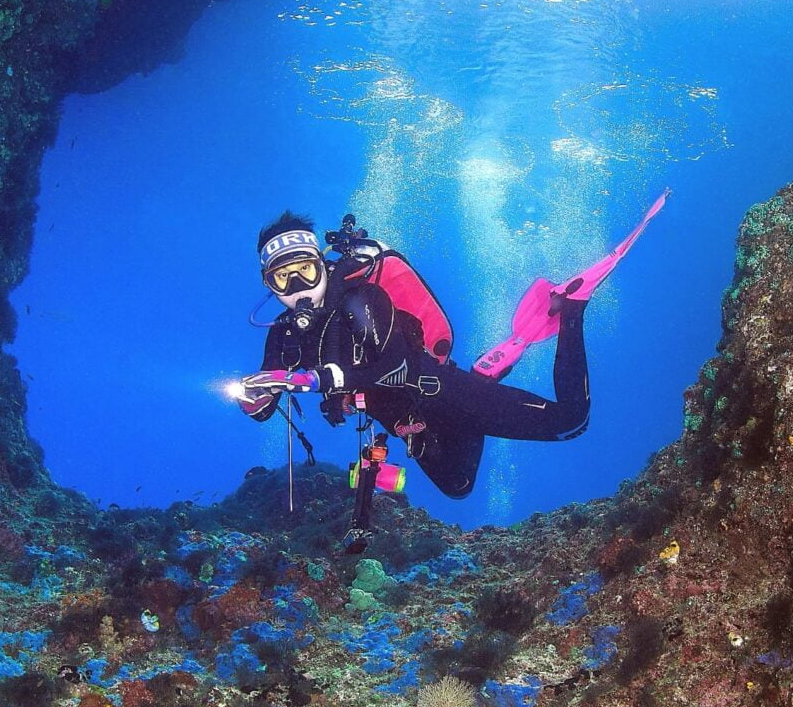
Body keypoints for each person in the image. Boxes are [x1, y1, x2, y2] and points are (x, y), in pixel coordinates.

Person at [238, 211, 596, 500]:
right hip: (407, 421)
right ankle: (483, 382)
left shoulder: (360, 300)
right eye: (282, 277)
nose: (297, 286)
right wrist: (254, 398)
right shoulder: (283, 334)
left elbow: (399, 365)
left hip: (440, 390)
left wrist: (322, 380)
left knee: (572, 421)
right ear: (268, 284)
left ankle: (572, 306)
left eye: (305, 269)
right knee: (458, 486)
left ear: (321, 263)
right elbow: (264, 406)